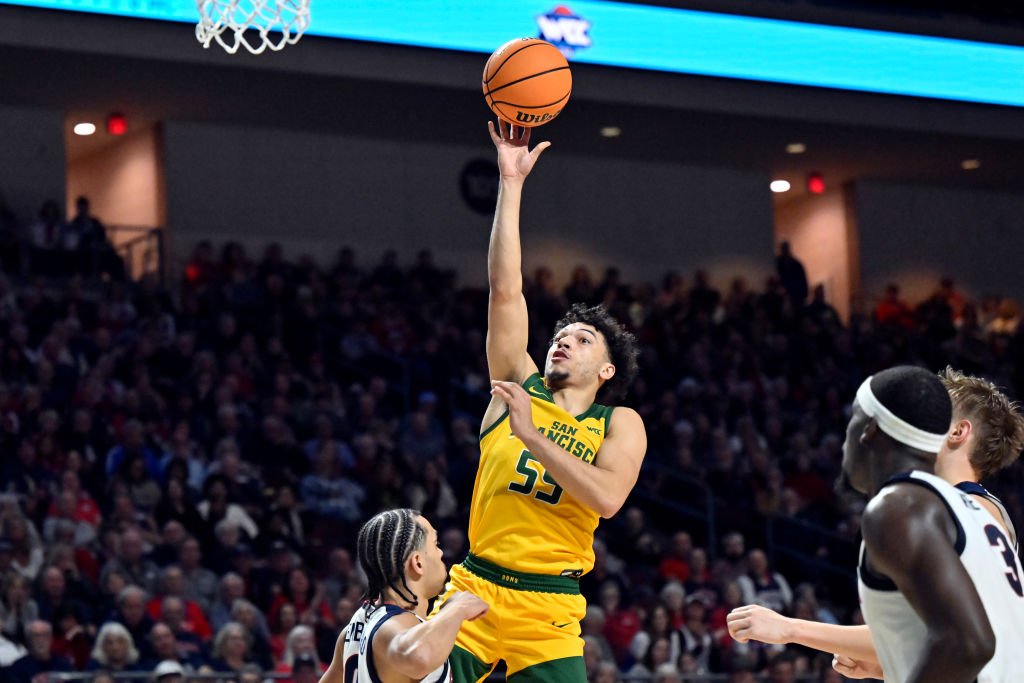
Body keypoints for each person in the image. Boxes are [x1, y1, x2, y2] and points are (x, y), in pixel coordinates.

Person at [430, 121, 647, 683]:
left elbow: (607, 498)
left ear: (606, 370)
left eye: (582, 339)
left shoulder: (618, 422)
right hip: (473, 588)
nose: (562, 342)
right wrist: (510, 183)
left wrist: (532, 436)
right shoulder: (516, 384)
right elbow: (506, 289)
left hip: (549, 604)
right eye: (560, 335)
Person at [727, 367, 1024, 679]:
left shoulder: (957, 509)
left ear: (958, 432)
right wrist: (887, 666)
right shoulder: (973, 508)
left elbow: (970, 642)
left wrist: (790, 628)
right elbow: (965, 639)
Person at [320, 509, 488, 683]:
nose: (441, 553)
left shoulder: (355, 628)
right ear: (417, 563)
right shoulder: (394, 624)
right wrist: (456, 609)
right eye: (435, 544)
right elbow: (417, 658)